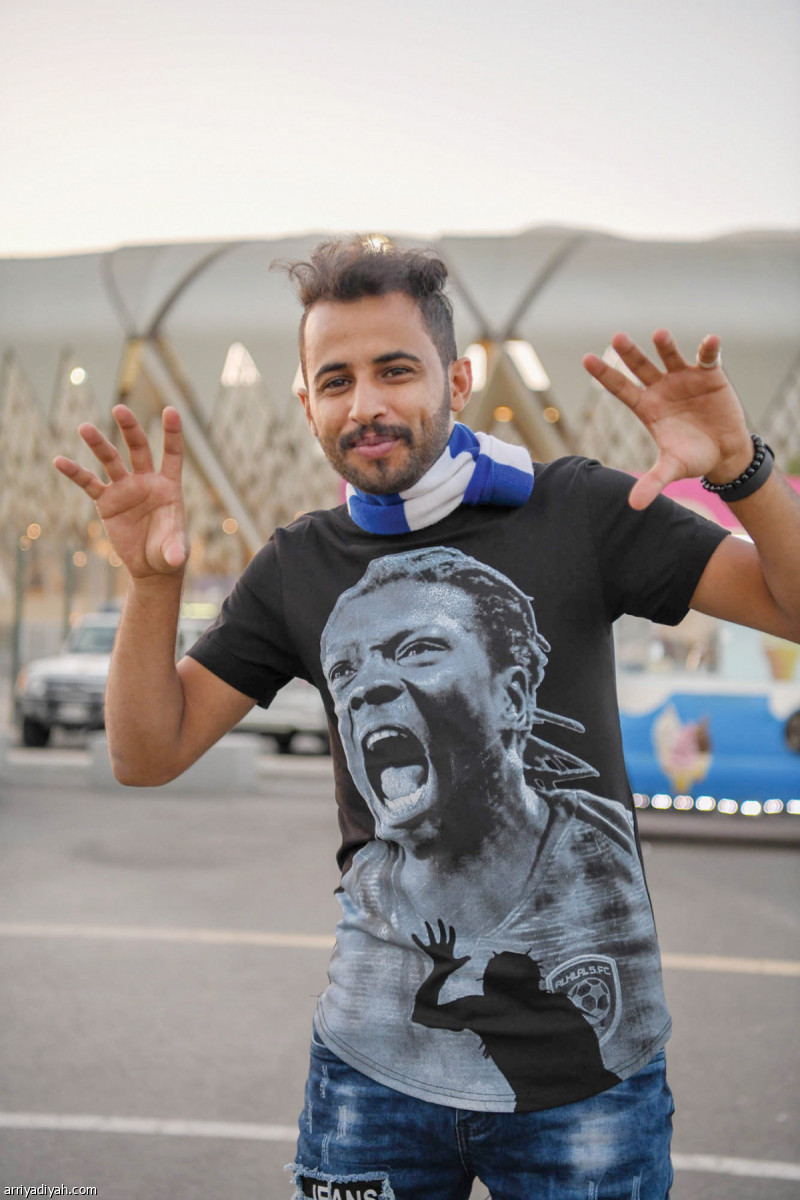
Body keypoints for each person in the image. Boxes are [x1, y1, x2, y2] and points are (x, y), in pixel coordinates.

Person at [54, 237, 800, 1200]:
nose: (364, 404)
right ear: (306, 404)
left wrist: (742, 470)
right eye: (335, 381)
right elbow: (145, 754)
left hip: (587, 1086)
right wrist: (150, 584)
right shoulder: (296, 566)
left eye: (395, 370)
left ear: (458, 377)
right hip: (368, 1079)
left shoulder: (578, 510)